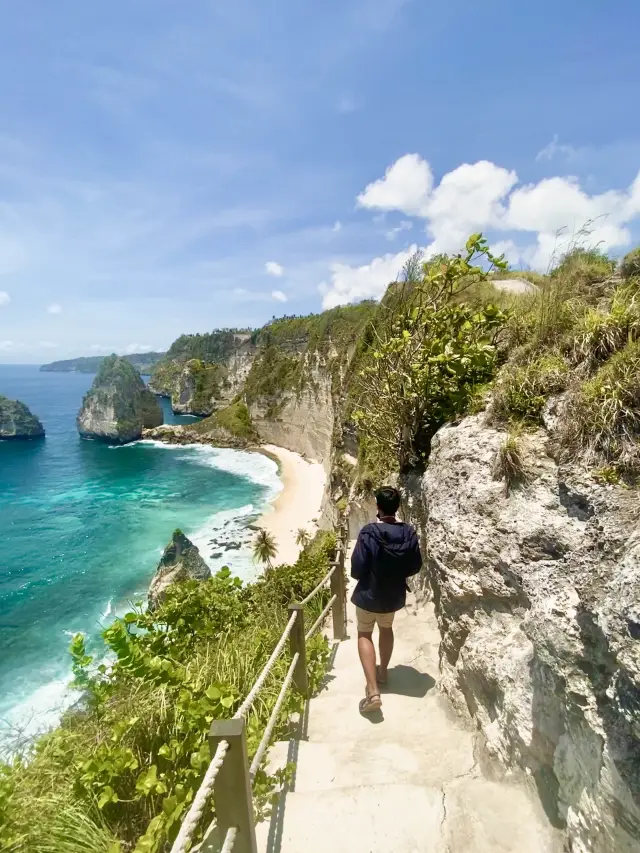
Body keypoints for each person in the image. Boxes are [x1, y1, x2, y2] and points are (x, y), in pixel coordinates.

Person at [351, 486, 422, 714]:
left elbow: (356, 568)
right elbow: (415, 565)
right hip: (392, 595)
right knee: (386, 628)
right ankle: (382, 673)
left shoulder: (368, 532)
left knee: (364, 633)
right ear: (397, 507)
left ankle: (373, 692)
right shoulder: (408, 532)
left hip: (368, 594)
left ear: (378, 507)